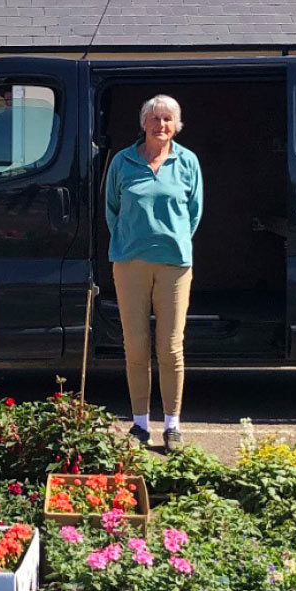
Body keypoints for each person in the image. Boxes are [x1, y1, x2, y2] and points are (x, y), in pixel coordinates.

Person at [104, 94, 203, 453]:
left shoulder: (188, 162)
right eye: (155, 118)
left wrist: (169, 241)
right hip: (129, 263)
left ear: (176, 125)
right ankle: (140, 423)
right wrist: (132, 242)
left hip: (174, 264)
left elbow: (194, 214)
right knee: (135, 344)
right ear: (143, 122)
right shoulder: (123, 161)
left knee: (170, 346)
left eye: (168, 119)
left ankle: (173, 425)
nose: (161, 125)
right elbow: (112, 209)